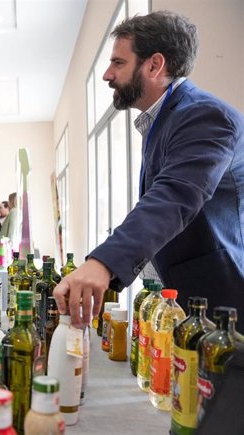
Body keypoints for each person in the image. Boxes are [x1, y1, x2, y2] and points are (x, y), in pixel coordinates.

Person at [53, 11, 244, 330]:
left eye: (118, 63)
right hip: (187, 303)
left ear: (155, 65)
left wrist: (103, 262)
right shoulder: (166, 119)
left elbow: (173, 197)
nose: (107, 75)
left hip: (221, 306)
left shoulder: (204, 115)